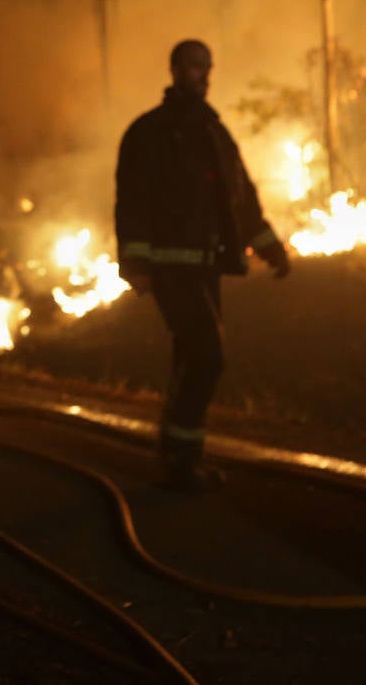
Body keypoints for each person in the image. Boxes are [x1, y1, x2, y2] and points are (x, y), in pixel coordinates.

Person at [114, 39, 290, 492]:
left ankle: (177, 458)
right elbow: (131, 202)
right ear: (174, 69)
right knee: (208, 356)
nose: (204, 76)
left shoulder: (214, 133)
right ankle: (180, 460)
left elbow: (240, 197)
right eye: (195, 67)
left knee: (192, 357)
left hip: (207, 268)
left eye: (208, 68)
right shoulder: (150, 133)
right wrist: (135, 261)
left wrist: (269, 247)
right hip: (172, 270)